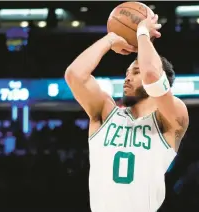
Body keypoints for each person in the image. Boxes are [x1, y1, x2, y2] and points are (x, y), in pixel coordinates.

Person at [65, 13, 189, 212]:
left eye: (135, 71)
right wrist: (111, 38)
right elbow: (74, 75)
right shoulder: (105, 113)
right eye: (127, 73)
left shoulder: (171, 118)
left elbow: (152, 75)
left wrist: (142, 34)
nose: (128, 78)